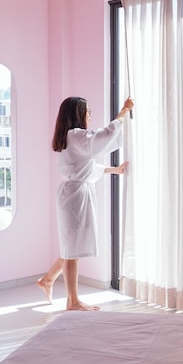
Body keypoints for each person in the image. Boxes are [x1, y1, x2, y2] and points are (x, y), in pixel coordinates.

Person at [37, 95, 135, 310]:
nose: (90, 114)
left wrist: (114, 170)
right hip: (74, 198)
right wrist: (123, 112)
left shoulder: (67, 137)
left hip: (72, 194)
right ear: (78, 114)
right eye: (87, 111)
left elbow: (84, 167)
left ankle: (48, 280)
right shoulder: (76, 135)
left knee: (72, 246)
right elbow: (105, 136)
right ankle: (72, 301)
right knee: (72, 249)